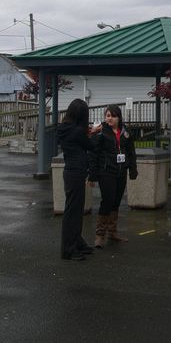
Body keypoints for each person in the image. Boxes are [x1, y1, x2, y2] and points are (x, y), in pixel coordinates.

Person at [56, 98, 100, 261]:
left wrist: (88, 133)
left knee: (74, 210)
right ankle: (68, 250)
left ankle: (77, 242)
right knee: (72, 213)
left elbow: (79, 140)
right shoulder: (77, 131)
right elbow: (91, 146)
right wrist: (95, 133)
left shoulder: (65, 128)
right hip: (76, 173)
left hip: (71, 172)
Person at [89, 104, 138, 248]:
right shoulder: (101, 131)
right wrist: (92, 175)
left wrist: (133, 169)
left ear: (119, 117)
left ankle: (113, 232)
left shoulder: (126, 132)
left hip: (121, 172)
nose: (109, 118)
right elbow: (93, 154)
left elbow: (131, 152)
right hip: (106, 172)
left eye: (112, 116)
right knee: (107, 200)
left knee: (116, 201)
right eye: (107, 115)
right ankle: (99, 235)